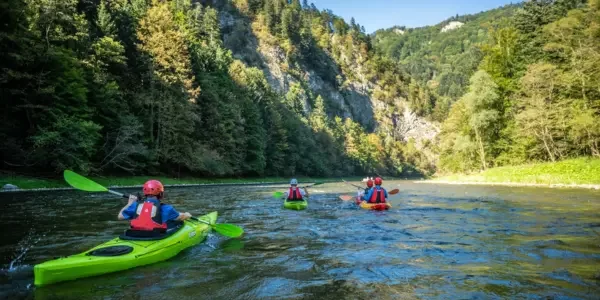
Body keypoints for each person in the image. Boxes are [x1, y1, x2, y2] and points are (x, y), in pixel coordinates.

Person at [118, 180, 193, 232]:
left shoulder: (135, 206)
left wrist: (129, 203)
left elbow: (120, 216)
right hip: (155, 236)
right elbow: (181, 217)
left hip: (137, 234)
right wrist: (187, 214)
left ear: (145, 193)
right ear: (161, 194)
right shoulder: (167, 209)